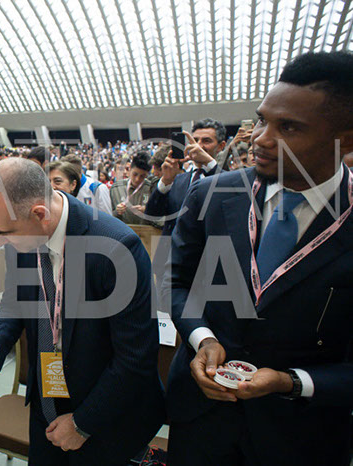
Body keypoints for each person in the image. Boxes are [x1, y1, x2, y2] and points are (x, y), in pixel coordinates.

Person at [166, 51, 353, 466]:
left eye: (289, 127)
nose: (262, 139)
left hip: (299, 437)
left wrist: (291, 382)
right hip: (201, 420)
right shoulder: (213, 195)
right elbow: (175, 282)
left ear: (347, 139)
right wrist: (202, 338)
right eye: (262, 120)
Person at [0, 158, 165, 465]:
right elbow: (15, 302)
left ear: (40, 215)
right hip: (46, 403)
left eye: (3, 232)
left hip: (103, 417)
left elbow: (135, 357)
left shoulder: (116, 248)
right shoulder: (23, 234)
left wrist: (82, 424)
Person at [145, 118, 227, 235]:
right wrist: (165, 182)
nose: (198, 146)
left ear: (220, 146)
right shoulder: (177, 179)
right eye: (195, 140)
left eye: (206, 141)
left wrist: (209, 164)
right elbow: (152, 214)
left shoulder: (227, 178)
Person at [109, 152, 154, 225]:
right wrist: (117, 212)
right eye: (135, 174)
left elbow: (160, 220)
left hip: (144, 231)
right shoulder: (116, 188)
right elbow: (107, 217)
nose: (137, 179)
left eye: (142, 176)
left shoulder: (151, 189)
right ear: (129, 169)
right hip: (122, 230)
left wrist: (148, 211)